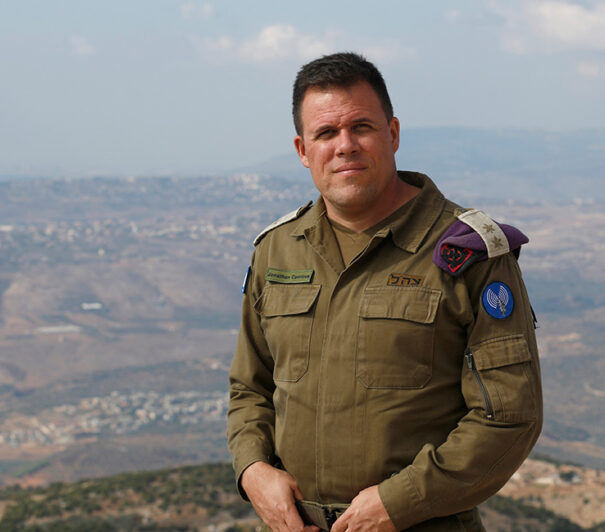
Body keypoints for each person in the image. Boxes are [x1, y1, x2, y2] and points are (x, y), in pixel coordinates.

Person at [227, 52, 542, 532]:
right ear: (302, 149)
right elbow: (250, 386)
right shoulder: (277, 251)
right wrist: (253, 470)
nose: (345, 145)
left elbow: (508, 417)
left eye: (362, 127)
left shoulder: (469, 253)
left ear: (393, 134)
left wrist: (400, 502)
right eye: (326, 133)